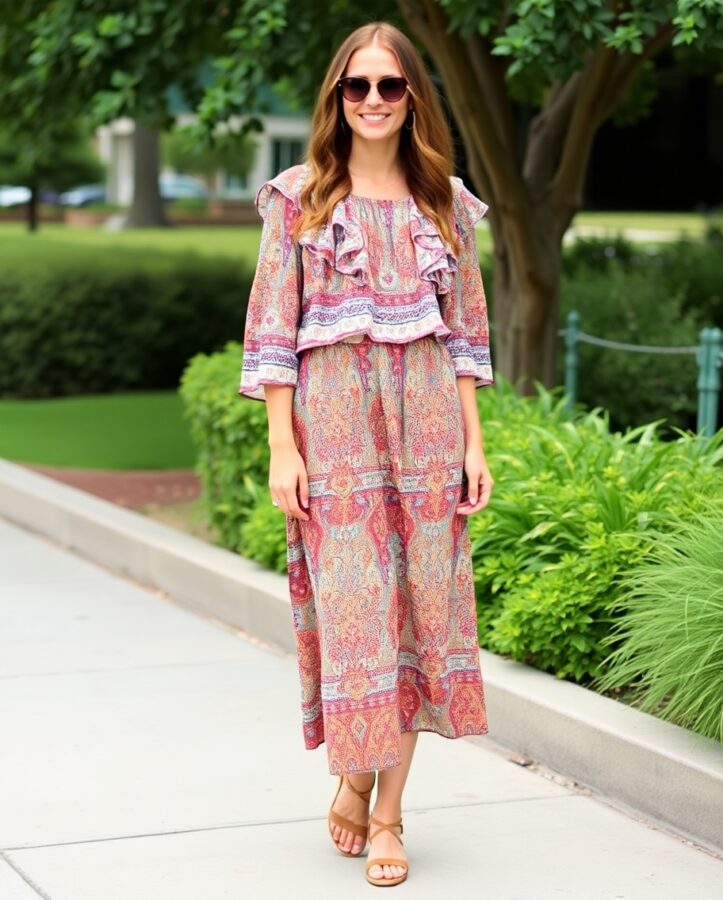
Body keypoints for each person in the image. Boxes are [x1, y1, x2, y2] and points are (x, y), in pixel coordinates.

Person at [238, 20, 494, 888]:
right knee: (357, 621)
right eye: (359, 87)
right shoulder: (299, 198)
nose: (375, 101)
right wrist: (284, 448)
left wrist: (472, 444)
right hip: (334, 433)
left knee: (421, 616)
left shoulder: (447, 205)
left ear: (413, 95)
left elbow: (466, 336)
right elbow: (271, 334)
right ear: (336, 98)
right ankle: (352, 769)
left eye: (390, 85)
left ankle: (385, 813)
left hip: (426, 433)